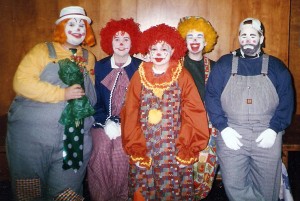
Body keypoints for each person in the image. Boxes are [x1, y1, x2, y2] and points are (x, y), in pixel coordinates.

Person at [6, 6, 96, 200]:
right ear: (61, 27)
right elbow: (21, 82)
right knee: (29, 189)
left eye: (82, 25)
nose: (78, 28)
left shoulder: (90, 59)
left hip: (74, 138)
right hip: (32, 138)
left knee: (67, 192)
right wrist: (61, 93)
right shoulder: (42, 51)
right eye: (71, 24)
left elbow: (91, 97)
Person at [205, 17, 294, 201]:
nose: (248, 40)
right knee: (234, 186)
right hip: (232, 134)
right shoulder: (225, 64)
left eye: (253, 35)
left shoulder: (276, 66)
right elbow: (211, 96)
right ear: (239, 38)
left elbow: (287, 101)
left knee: (267, 188)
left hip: (267, 134)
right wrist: (224, 128)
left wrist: (274, 129)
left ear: (261, 39)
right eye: (243, 35)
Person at [121, 23, 210, 200]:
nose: (159, 53)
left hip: (173, 144)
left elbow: (193, 111)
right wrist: (136, 146)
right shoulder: (139, 75)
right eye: (154, 49)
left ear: (173, 50)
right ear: (148, 52)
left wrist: (187, 146)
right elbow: (130, 111)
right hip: (146, 143)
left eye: (164, 48)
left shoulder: (182, 74)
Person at [87, 18, 142, 201]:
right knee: (101, 148)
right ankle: (101, 197)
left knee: (120, 149)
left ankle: (121, 196)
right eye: (116, 38)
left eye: (126, 39)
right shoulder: (100, 66)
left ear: (132, 41)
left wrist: (123, 122)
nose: (121, 43)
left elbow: (141, 102)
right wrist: (106, 121)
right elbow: (93, 100)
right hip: (101, 121)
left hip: (130, 123)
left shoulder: (140, 67)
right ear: (109, 41)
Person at [177, 16, 218, 199]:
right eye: (190, 36)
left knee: (203, 172)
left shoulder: (216, 67)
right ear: (184, 40)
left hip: (207, 125)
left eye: (199, 36)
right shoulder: (174, 66)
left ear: (206, 40)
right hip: (181, 124)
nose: (194, 41)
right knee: (180, 169)